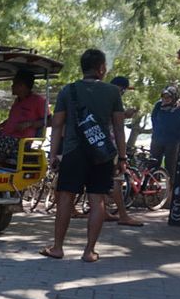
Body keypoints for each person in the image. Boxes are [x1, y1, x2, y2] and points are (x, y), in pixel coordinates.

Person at [40, 49, 126, 263]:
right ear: (102, 68)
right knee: (97, 200)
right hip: (102, 153)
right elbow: (119, 127)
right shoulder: (113, 92)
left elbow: (57, 125)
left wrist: (53, 155)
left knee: (66, 199)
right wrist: (122, 158)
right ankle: (89, 251)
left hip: (73, 152)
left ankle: (58, 248)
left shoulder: (68, 91)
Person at [106, 76, 143, 226]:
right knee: (117, 180)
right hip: (111, 145)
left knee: (101, 182)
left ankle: (104, 212)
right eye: (124, 90)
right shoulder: (113, 99)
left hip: (98, 145)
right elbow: (117, 125)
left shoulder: (101, 97)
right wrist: (122, 156)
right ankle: (123, 215)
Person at [151, 86, 180, 182]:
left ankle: (170, 188)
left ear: (174, 97)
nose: (165, 99)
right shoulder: (158, 105)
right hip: (157, 139)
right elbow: (153, 118)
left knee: (170, 166)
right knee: (153, 163)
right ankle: (152, 184)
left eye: (168, 97)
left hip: (173, 141)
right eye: (163, 97)